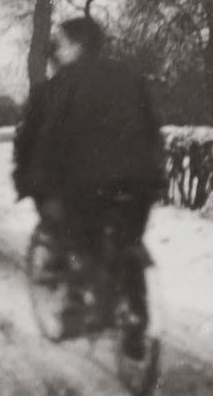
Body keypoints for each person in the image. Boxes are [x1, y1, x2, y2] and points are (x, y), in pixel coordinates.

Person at [12, 17, 164, 355]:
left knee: (76, 240)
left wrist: (33, 184)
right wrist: (152, 179)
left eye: (61, 44)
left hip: (87, 186)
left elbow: (40, 140)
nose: (56, 51)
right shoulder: (130, 77)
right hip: (138, 184)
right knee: (127, 241)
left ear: (76, 46)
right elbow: (152, 131)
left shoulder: (58, 86)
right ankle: (135, 314)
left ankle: (79, 306)